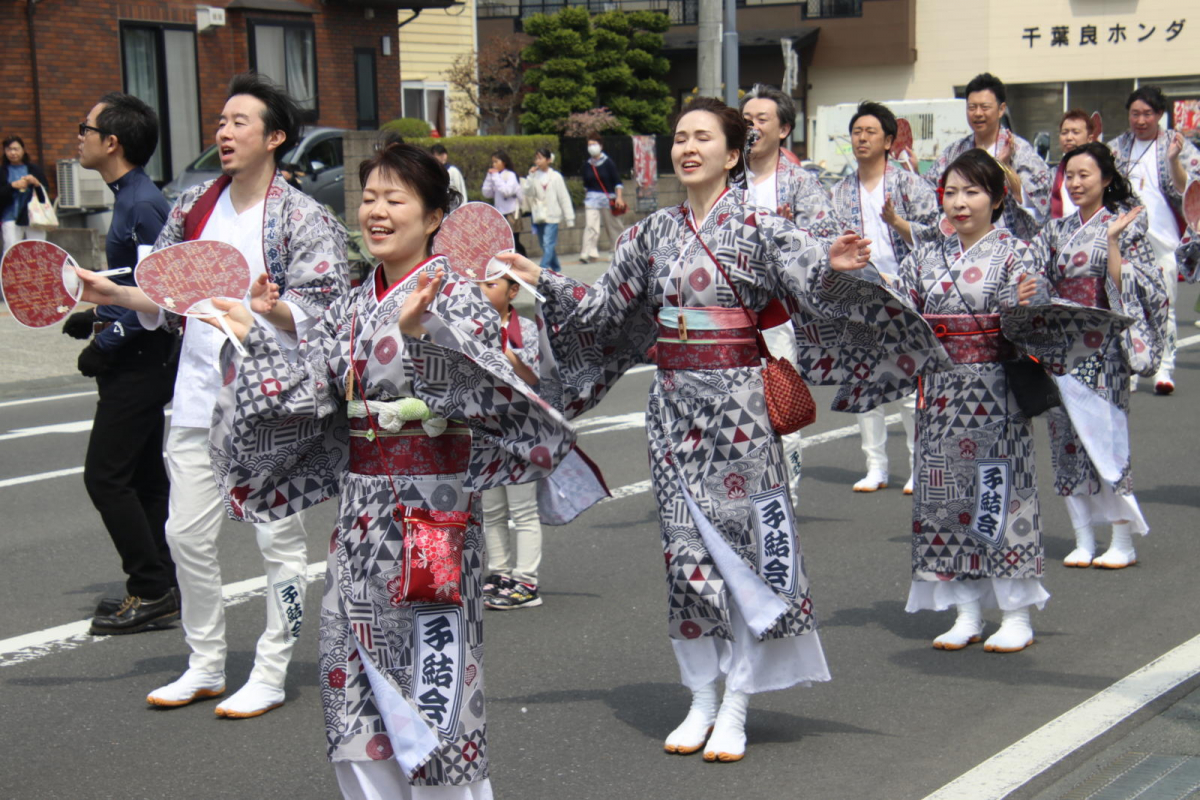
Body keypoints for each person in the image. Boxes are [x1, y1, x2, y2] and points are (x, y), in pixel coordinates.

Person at [500, 97, 948, 762]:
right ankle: (702, 692)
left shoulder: (762, 225)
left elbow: (810, 276)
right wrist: (545, 281)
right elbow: (602, 313)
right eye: (679, 136)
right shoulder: (650, 235)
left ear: (733, 153)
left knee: (743, 554)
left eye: (702, 137)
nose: (687, 147)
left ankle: (738, 698)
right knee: (687, 561)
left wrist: (836, 266)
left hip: (741, 411)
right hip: (673, 407)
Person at [203, 143, 572, 797]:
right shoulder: (353, 302)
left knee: (434, 690)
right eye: (369, 198)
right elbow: (308, 384)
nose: (376, 211)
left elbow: (498, 393)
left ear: (433, 216)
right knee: (351, 686)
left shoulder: (458, 297)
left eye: (394, 199)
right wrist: (253, 334)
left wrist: (427, 337)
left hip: (433, 517)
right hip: (360, 519)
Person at [72, 73, 349, 718]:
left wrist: (276, 310)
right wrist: (113, 293)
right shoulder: (194, 207)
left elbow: (330, 310)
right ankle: (204, 663)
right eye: (221, 122)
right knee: (184, 535)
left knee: (279, 542)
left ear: (275, 137)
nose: (224, 132)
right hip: (197, 394)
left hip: (271, 404)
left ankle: (274, 665)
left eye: (240, 122)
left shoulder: (301, 217)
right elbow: (166, 293)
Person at [861, 149, 1126, 653]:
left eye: (973, 192)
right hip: (939, 393)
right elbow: (904, 309)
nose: (960, 203)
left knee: (999, 498)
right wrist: (872, 282)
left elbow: (1033, 324)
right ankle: (965, 612)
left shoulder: (1015, 254)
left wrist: (1029, 305)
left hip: (994, 395)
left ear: (998, 197)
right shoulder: (927, 255)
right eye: (952, 192)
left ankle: (1016, 613)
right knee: (945, 501)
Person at [60, 93, 179, 635]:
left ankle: (149, 587)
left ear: (112, 142)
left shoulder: (144, 203)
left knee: (105, 477)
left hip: (141, 362)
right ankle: (164, 584)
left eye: (83, 128)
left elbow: (160, 293)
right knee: (143, 477)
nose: (76, 137)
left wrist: (105, 340)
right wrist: (96, 316)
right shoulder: (126, 196)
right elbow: (131, 279)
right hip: (132, 358)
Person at [1034, 143, 1167, 570]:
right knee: (1065, 443)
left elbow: (1142, 285)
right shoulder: (1055, 231)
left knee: (1106, 442)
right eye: (1069, 176)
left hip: (1103, 349)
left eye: (1084, 175)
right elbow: (1033, 275)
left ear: (1106, 180)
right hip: (1062, 350)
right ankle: (1083, 536)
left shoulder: (1124, 225)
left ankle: (1122, 537)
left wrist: (1111, 243)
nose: (1074, 183)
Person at [830, 101, 940, 494]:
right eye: (856, 131)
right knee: (864, 380)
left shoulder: (911, 185)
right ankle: (875, 465)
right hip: (859, 295)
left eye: (870, 131)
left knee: (909, 382)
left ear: (889, 140)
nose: (861, 138)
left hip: (903, 293)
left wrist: (898, 223)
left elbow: (938, 236)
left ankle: (918, 462)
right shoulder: (839, 190)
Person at [1108, 86, 1200, 395]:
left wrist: (1174, 160)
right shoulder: (1117, 147)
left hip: (1163, 238)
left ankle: (1164, 368)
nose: (1141, 120)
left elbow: (1189, 192)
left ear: (1160, 115)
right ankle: (1133, 367)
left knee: (1165, 306)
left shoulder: (1177, 145)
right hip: (1125, 240)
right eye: (1135, 113)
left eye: (1148, 114)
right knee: (1126, 306)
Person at [476, 273, 547, 610]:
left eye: (490, 285)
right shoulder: (470, 327)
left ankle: (526, 581)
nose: (481, 291)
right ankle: (499, 574)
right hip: (484, 430)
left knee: (522, 510)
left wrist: (503, 351)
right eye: (478, 285)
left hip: (521, 430)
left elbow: (535, 378)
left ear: (513, 290)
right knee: (490, 510)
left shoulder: (529, 330)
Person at [925, 73, 1051, 241]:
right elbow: (930, 190)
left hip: (1007, 245)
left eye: (984, 107)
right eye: (972, 107)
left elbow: (1039, 201)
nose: (978, 113)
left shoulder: (1019, 150)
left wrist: (1004, 168)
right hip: (963, 243)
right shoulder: (954, 151)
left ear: (1001, 109)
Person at [737, 84, 841, 241]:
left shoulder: (803, 184)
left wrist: (788, 236)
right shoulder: (723, 179)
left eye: (762, 120)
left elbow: (825, 245)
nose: (752, 127)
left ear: (783, 130)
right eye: (746, 120)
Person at [522, 147, 574, 272]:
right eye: (536, 158)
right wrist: (530, 176)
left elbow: (563, 197)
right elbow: (527, 191)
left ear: (548, 160)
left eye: (540, 158)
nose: (538, 161)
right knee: (544, 244)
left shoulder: (556, 177)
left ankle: (542, 269)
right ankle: (556, 267)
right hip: (538, 215)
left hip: (553, 215)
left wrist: (569, 217)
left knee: (547, 242)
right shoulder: (534, 176)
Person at [578, 136, 625, 263]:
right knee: (590, 226)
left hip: (608, 199)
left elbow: (617, 182)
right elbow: (586, 185)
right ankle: (587, 253)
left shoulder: (608, 162)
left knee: (613, 226)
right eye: (589, 145)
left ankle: (616, 250)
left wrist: (619, 197)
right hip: (592, 199)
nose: (591, 147)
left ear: (600, 146)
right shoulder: (587, 165)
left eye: (594, 144)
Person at [1, 136, 49, 255]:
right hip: (10, 215)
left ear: (23, 150)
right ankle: (11, 273)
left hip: (34, 215)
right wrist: (12, 186)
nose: (13, 153)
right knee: (11, 249)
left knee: (38, 248)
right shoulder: (2, 171)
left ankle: (38, 272)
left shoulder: (34, 169)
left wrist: (36, 183)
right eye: (9, 149)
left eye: (16, 149)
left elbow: (45, 192)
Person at [1050, 110, 1097, 220]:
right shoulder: (1052, 175)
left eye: (1075, 132)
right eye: (1064, 132)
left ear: (1089, 139)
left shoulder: (1101, 171)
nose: (1069, 138)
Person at [481, 149, 526, 256]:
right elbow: (486, 193)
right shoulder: (495, 176)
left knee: (514, 241)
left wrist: (495, 177)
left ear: (504, 162)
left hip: (511, 212)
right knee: (503, 243)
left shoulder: (510, 175)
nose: (494, 164)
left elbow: (507, 191)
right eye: (493, 162)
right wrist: (489, 177)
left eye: (496, 161)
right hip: (500, 213)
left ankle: (524, 259)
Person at [429, 143, 466, 210]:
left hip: (453, 209)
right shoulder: (431, 172)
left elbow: (459, 191)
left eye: (437, 155)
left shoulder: (453, 171)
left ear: (444, 156)